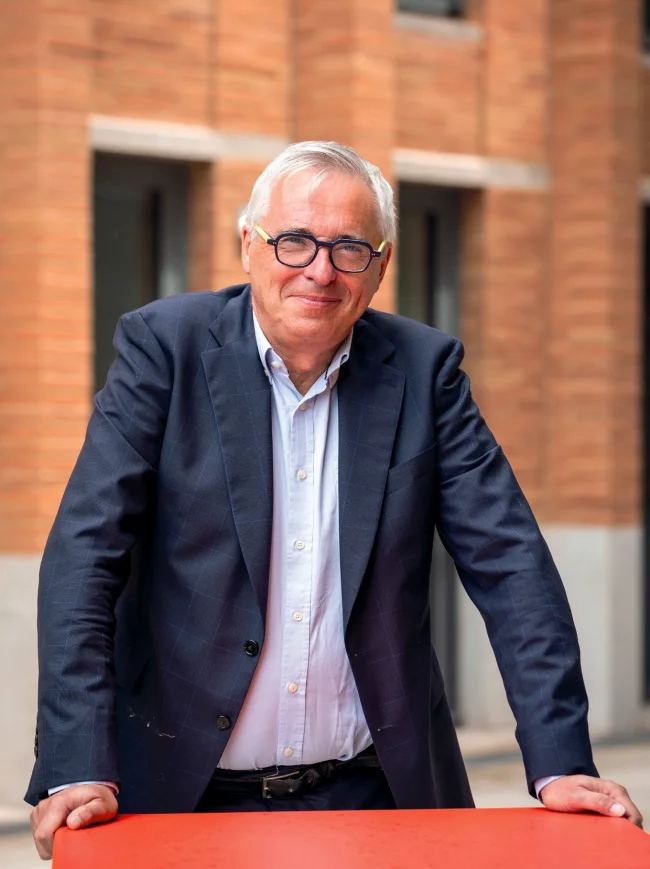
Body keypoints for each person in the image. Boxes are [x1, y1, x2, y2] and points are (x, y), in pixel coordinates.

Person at [27, 141, 641, 859]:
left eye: (349, 248)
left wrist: (560, 760)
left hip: (378, 792)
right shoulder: (164, 348)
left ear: (381, 265)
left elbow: (511, 565)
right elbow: (85, 556)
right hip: (177, 789)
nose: (319, 270)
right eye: (294, 241)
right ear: (249, 244)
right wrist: (76, 759)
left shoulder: (425, 370)